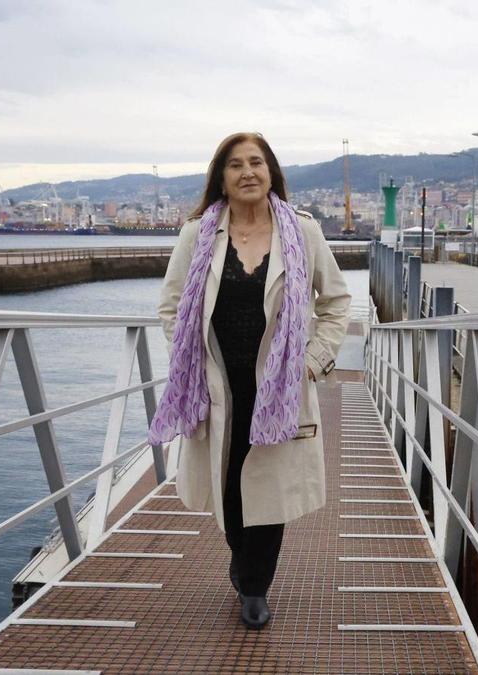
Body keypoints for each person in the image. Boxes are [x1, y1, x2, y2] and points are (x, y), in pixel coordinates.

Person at [149, 132, 350, 629]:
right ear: (221, 176)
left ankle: (256, 586)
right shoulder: (198, 234)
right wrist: (191, 356)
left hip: (279, 386)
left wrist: (311, 360)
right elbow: (172, 306)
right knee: (230, 484)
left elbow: (337, 302)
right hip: (218, 385)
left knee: (270, 487)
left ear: (271, 171)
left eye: (256, 162)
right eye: (235, 164)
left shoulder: (301, 231)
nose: (247, 172)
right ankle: (241, 557)